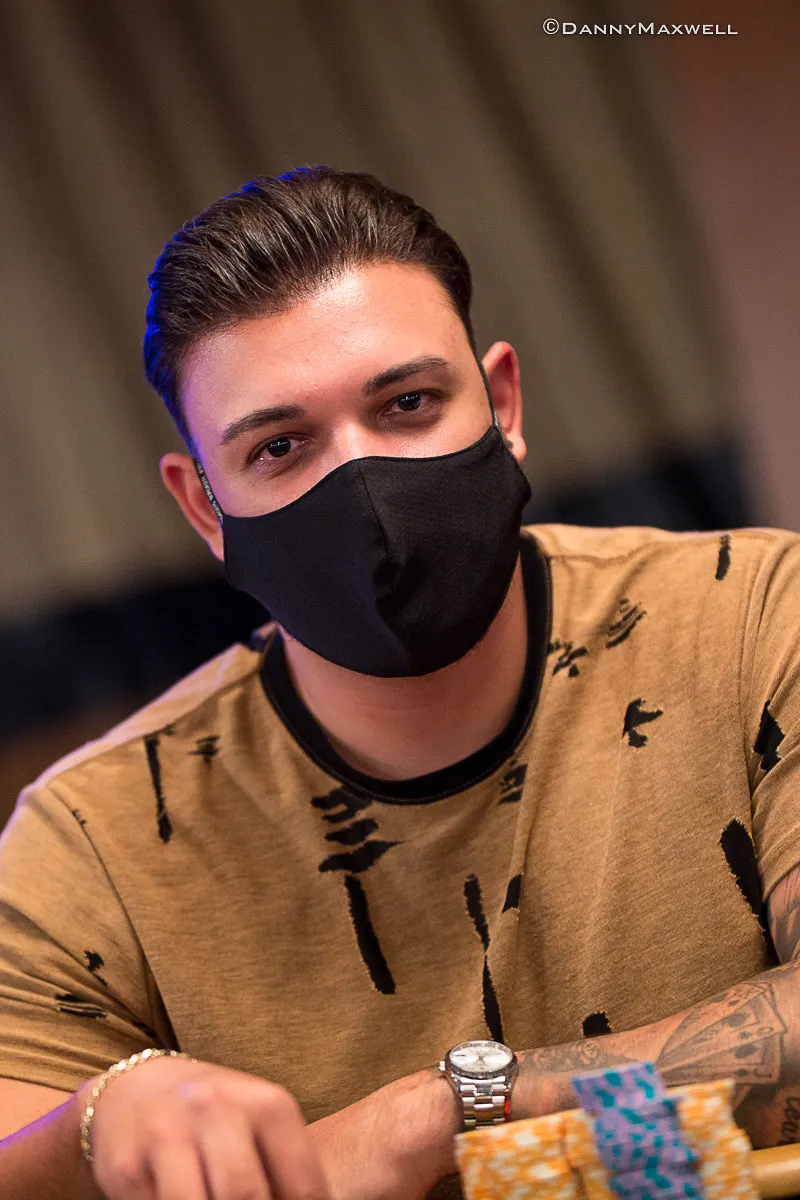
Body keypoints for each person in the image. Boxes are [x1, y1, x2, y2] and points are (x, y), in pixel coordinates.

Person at [1, 166, 800, 1200]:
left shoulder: (754, 619)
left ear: (501, 403)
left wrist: (442, 1112)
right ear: (204, 508)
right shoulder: (95, 841)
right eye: (280, 447)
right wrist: (105, 1115)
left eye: (408, 403)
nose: (364, 487)